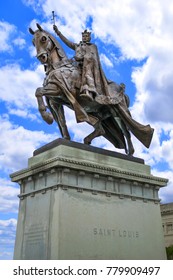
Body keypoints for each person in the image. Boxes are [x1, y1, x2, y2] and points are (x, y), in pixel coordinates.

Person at [53, 25, 107, 101]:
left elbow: (92, 57)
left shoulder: (92, 46)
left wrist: (82, 58)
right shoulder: (77, 46)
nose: (84, 38)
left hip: (86, 65)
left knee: (87, 73)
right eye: (83, 36)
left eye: (86, 36)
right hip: (75, 64)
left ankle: (89, 92)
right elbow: (67, 42)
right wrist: (58, 33)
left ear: (89, 38)